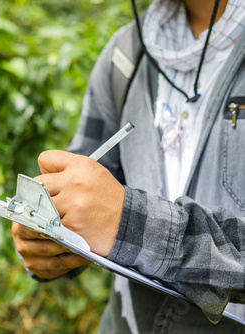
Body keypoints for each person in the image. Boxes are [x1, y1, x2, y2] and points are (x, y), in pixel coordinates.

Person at [12, 0, 245, 332]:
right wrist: (50, 238)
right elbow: (85, 185)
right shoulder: (125, 55)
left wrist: (131, 224)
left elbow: (118, 217)